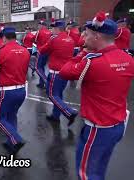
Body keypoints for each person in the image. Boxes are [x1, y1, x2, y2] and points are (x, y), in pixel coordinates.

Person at [60, 12, 134, 180]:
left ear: (96, 36)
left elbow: (65, 72)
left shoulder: (91, 62)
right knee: (99, 170)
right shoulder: (128, 58)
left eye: (86, 34)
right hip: (117, 124)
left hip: (97, 128)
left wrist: (81, 53)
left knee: (85, 173)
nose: (83, 37)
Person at [0, 27, 30, 154]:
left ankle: (15, 138)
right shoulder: (24, 50)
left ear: (4, 37)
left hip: (7, 90)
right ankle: (10, 142)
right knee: (12, 115)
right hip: (22, 90)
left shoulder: (1, 51)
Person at [39, 20, 77, 125]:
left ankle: (69, 112)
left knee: (51, 94)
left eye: (53, 28)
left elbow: (43, 50)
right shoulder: (70, 39)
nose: (52, 30)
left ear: (57, 29)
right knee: (58, 94)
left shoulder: (54, 39)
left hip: (56, 72)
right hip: (66, 71)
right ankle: (56, 116)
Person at [35, 20, 52, 89]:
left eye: (39, 25)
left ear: (42, 26)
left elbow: (35, 40)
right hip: (47, 52)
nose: (38, 26)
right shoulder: (50, 32)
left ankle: (46, 82)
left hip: (41, 51)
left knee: (38, 68)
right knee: (42, 67)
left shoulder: (39, 31)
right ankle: (41, 83)